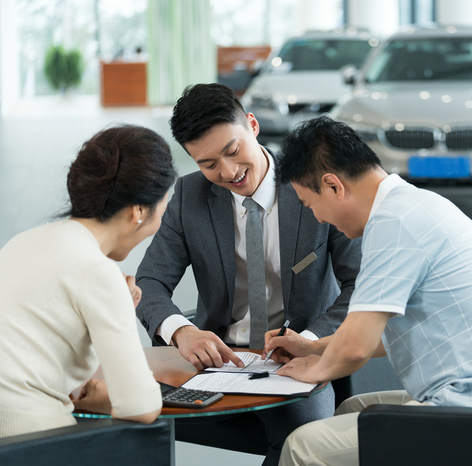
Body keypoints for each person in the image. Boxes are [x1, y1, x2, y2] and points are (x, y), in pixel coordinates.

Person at [263, 116, 472, 466]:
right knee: (351, 409)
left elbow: (357, 346)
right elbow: (391, 335)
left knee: (303, 447)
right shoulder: (412, 205)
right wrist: (311, 348)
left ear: (333, 186)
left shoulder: (393, 223)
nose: (319, 219)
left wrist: (313, 370)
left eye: (310, 205)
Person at [134, 83, 361, 465]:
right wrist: (181, 330)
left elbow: (360, 284)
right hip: (216, 363)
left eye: (233, 151)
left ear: (252, 125)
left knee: (304, 437)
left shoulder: (314, 185)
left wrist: (307, 341)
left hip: (300, 361)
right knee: (132, 419)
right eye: (208, 164)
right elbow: (150, 281)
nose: (228, 172)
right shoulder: (190, 196)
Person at [0, 125, 177, 438]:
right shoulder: (98, 271)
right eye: (162, 207)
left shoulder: (21, 242)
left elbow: (35, 356)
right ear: (138, 211)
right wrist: (104, 400)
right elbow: (141, 406)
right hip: (31, 442)